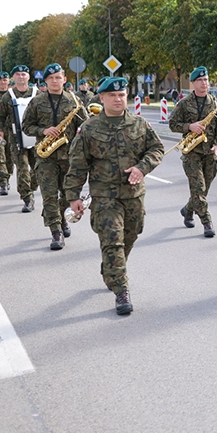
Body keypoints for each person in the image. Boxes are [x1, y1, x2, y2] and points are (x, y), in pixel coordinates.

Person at [65, 77, 164, 315]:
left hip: (133, 195)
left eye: (122, 95)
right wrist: (73, 196)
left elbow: (157, 149)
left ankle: (110, 268)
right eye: (112, 95)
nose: (118, 99)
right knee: (112, 239)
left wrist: (142, 167)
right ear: (102, 98)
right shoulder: (90, 128)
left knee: (131, 235)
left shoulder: (139, 124)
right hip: (104, 196)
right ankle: (121, 291)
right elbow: (78, 164)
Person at [21, 63, 88, 249]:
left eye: (58, 77)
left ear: (64, 79)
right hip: (45, 157)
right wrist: (43, 130)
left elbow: (86, 126)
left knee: (68, 194)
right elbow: (26, 126)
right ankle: (56, 232)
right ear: (46, 81)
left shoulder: (74, 102)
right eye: (51, 78)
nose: (55, 81)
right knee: (49, 195)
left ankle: (61, 218)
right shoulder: (37, 101)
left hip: (70, 157)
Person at [168, 66, 217, 237]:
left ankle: (188, 210)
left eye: (206, 80)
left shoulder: (215, 103)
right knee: (198, 188)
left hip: (209, 152)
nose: (204, 83)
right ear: (193, 83)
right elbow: (172, 124)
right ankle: (207, 222)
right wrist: (189, 126)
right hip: (191, 151)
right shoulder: (184, 103)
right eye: (200, 80)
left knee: (203, 189)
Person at [0, 65, 40, 212]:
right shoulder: (8, 96)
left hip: (36, 136)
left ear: (28, 77)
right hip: (16, 137)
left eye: (24, 74)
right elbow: (0, 116)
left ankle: (32, 186)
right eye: (18, 74)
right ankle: (27, 198)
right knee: (22, 169)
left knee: (39, 168)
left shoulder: (37, 93)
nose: (21, 77)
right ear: (14, 77)